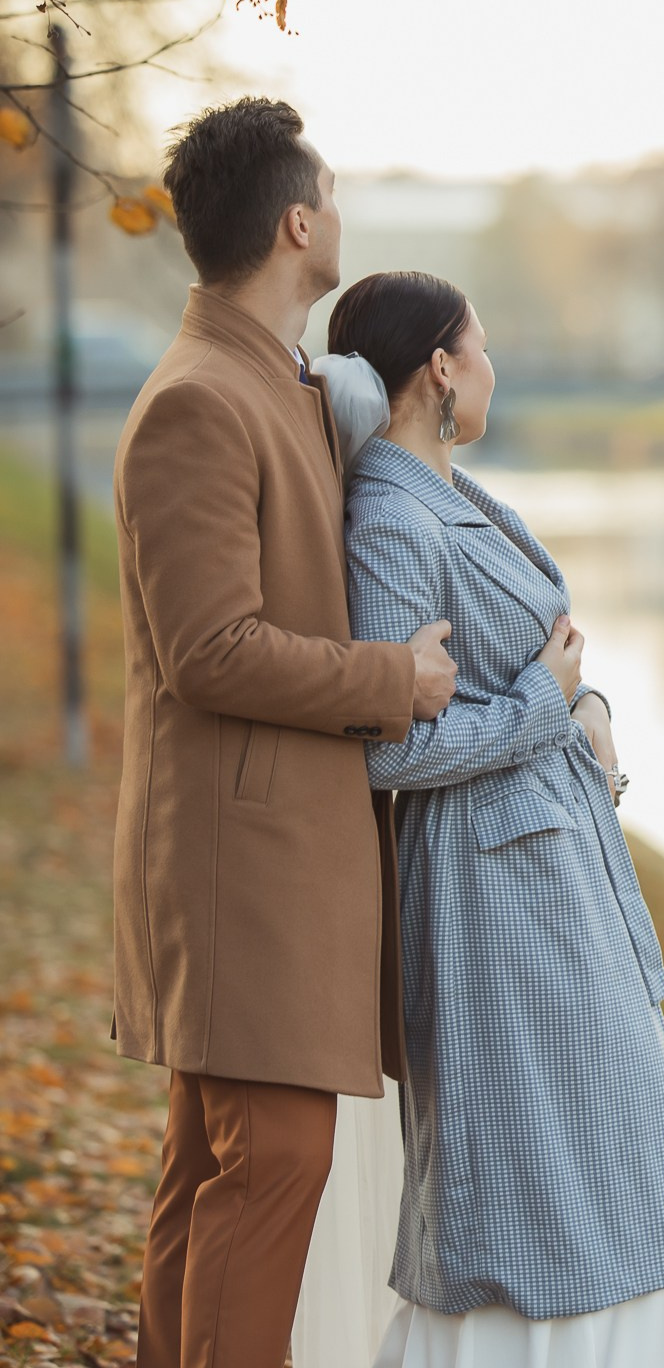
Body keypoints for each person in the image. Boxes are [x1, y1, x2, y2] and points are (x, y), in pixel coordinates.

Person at [317, 270, 664, 1366]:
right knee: (540, 1173)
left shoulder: (450, 490)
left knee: (619, 1160)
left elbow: (544, 661)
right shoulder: (391, 517)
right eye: (482, 346)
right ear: (440, 368)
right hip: (492, 897)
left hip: (551, 877)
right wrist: (543, 708)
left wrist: (583, 704)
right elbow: (394, 748)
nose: (494, 366)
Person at [113, 97, 458, 1368]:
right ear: (298, 221)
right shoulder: (199, 402)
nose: (344, 218)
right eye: (336, 197)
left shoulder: (281, 385)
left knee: (213, 1167)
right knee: (271, 1170)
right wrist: (393, 680)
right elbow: (210, 650)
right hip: (238, 866)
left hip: (268, 863)